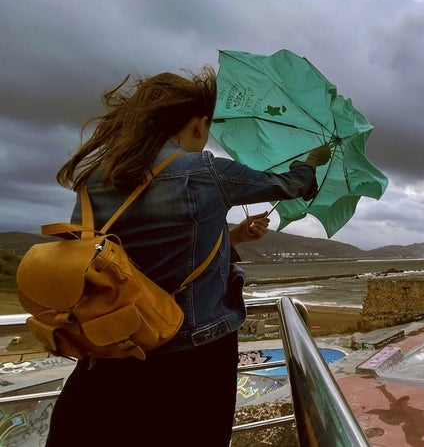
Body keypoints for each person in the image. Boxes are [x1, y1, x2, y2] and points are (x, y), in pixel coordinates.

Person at [45, 67, 330, 447]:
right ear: (199, 124)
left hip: (111, 349)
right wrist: (312, 160)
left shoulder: (98, 175)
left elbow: (120, 258)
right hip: (193, 357)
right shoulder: (201, 170)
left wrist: (235, 237)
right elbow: (291, 185)